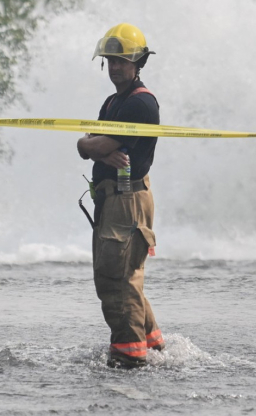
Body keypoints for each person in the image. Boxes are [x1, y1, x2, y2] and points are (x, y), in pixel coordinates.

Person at [77, 23, 165, 368]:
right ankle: (154, 346)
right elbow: (88, 142)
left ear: (138, 62)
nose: (115, 67)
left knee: (118, 280)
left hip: (127, 199)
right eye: (111, 60)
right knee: (124, 276)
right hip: (113, 199)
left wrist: (95, 147)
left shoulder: (141, 105)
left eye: (122, 61)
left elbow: (96, 144)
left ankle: (129, 357)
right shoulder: (114, 102)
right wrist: (93, 147)